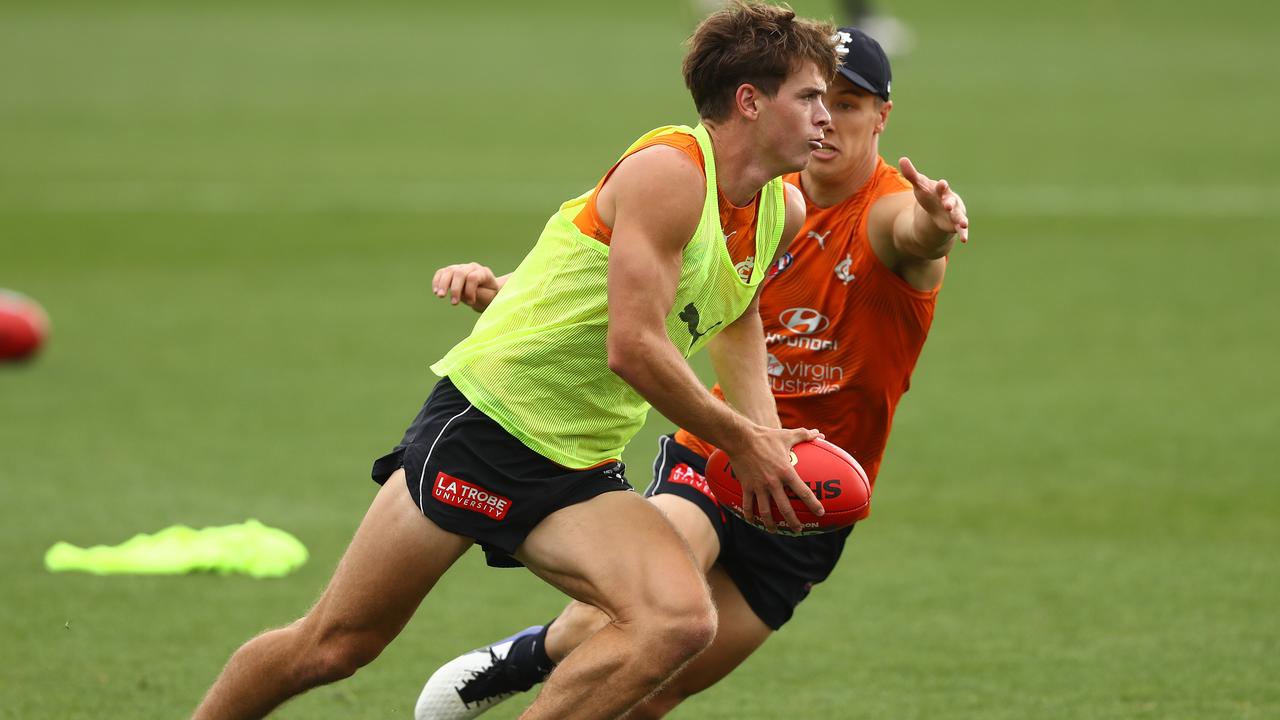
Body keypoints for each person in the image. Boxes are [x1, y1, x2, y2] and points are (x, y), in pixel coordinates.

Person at [191, 4, 841, 720]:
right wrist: (741, 442)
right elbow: (636, 347)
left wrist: (767, 433)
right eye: (810, 96)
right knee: (334, 646)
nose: (826, 118)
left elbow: (736, 308)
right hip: (490, 425)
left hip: (577, 459)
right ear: (750, 101)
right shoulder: (670, 174)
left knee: (678, 619)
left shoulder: (784, 208)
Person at [415, 27, 968, 720]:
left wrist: (937, 223)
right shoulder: (755, 186)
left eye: (849, 104)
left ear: (883, 116)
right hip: (719, 449)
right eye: (818, 97)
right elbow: (629, 273)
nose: (829, 119)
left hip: (815, 491)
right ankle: (521, 662)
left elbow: (913, 237)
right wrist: (505, 286)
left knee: (658, 688)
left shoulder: (887, 210)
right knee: (654, 610)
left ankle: (539, 653)